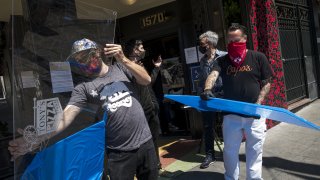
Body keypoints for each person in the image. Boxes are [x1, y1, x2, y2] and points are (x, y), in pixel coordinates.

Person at [8, 38, 158, 180]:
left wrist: (124, 59)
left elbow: (146, 80)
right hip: (119, 152)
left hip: (146, 143)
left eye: (85, 56)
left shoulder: (121, 68)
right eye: (77, 60)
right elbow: (65, 117)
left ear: (97, 53)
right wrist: (37, 138)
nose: (82, 63)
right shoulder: (84, 87)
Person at [201, 25, 273, 180]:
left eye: (237, 39)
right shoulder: (222, 60)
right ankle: (231, 178)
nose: (233, 43)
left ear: (245, 39)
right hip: (231, 116)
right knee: (229, 151)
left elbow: (267, 82)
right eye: (230, 39)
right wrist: (207, 89)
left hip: (254, 115)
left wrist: (258, 103)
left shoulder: (258, 57)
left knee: (255, 151)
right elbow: (213, 74)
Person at [124, 39, 162, 169]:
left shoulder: (140, 65)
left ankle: (156, 164)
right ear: (134, 50)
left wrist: (156, 68)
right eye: (141, 48)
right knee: (143, 141)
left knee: (155, 137)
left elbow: (148, 82)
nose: (143, 50)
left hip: (152, 108)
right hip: (140, 111)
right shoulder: (125, 68)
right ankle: (143, 167)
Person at [197, 31, 227, 169]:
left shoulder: (224, 56)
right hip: (207, 96)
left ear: (209, 43)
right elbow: (203, 79)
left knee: (226, 124)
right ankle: (210, 155)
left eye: (202, 43)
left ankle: (229, 153)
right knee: (208, 126)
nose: (200, 46)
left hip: (223, 95)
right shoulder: (202, 60)